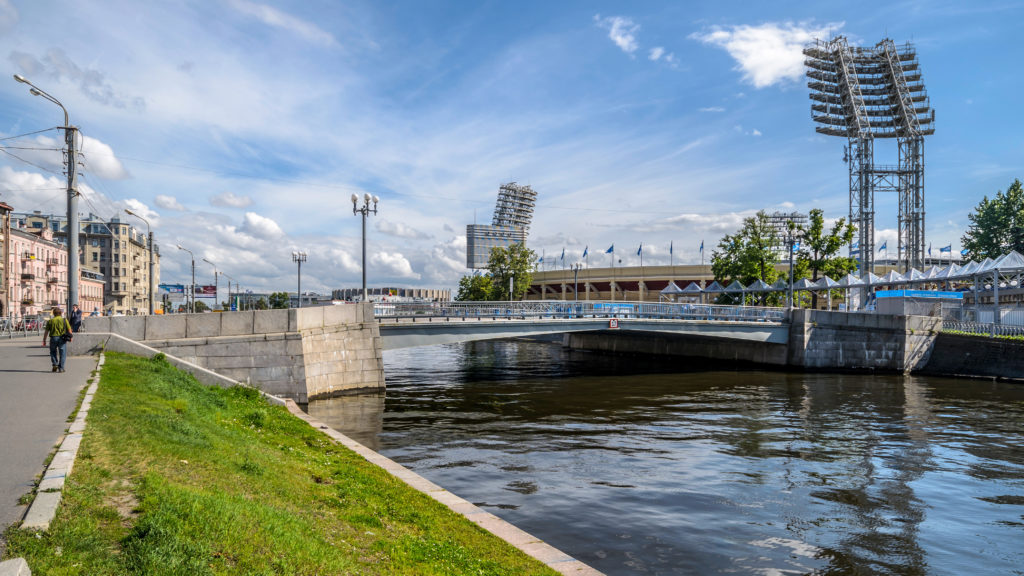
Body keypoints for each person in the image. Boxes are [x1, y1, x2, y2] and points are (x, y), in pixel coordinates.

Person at [43, 307, 73, 373]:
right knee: (62, 353)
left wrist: (44, 340)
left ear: (53, 314)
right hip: (62, 338)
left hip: (53, 338)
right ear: (61, 313)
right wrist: (71, 337)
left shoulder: (50, 321)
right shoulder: (64, 320)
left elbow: (46, 332)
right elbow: (69, 329)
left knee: (53, 352)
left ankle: (55, 364)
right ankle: (61, 368)